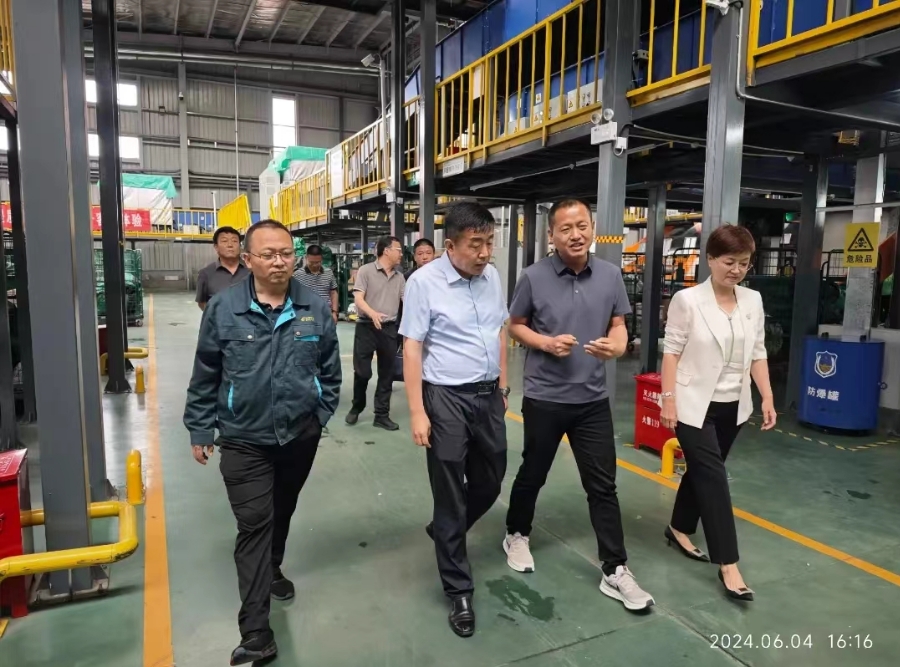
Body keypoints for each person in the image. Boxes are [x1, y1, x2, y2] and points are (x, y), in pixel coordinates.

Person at [183, 219, 341, 665]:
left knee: (282, 508)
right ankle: (256, 632)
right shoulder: (224, 308)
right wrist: (200, 427)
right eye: (268, 254)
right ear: (248, 259)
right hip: (243, 437)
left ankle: (272, 566)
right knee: (254, 522)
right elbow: (206, 371)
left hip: (298, 435)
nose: (279, 261)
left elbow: (330, 370)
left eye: (286, 253)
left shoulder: (313, 306)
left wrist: (319, 415)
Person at [503, 199, 655, 612]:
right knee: (533, 473)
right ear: (551, 235)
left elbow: (619, 326)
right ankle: (516, 533)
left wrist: (616, 348)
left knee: (602, 485)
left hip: (592, 400)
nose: (576, 234)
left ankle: (615, 568)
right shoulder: (533, 277)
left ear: (592, 228)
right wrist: (545, 343)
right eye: (566, 228)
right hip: (545, 397)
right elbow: (515, 326)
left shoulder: (609, 274)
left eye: (582, 225)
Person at [400, 202, 509, 638]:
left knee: (492, 478)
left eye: (489, 243)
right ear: (451, 245)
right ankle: (459, 589)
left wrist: (503, 386)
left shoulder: (492, 276)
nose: (484, 253)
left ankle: (446, 529)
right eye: (475, 244)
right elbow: (412, 347)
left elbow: (499, 331)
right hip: (445, 396)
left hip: (488, 394)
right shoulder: (423, 282)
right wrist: (417, 411)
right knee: (449, 490)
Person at [660, 224, 774, 602]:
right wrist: (668, 399)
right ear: (710, 259)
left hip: (734, 405)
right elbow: (671, 353)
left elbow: (758, 352)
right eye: (729, 262)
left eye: (744, 263)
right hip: (693, 404)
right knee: (714, 479)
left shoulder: (753, 300)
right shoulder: (688, 300)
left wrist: (767, 396)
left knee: (702, 471)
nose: (736, 270)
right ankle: (729, 564)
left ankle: (678, 527)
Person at [346, 235, 405, 431]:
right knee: (362, 372)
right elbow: (358, 299)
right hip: (366, 326)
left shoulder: (399, 277)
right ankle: (357, 406)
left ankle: (381, 415)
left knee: (387, 374)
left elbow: (408, 300)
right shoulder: (366, 271)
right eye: (398, 250)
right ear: (386, 251)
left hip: (389, 328)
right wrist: (372, 314)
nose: (401, 254)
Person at [195, 226, 250, 310]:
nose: (230, 245)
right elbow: (202, 303)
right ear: (216, 247)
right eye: (224, 241)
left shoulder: (252, 270)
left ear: (240, 246)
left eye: (235, 241)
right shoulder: (205, 274)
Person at [293, 244, 339, 323]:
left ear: (321, 259)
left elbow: (333, 293)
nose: (314, 265)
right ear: (306, 258)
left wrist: (334, 312)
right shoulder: (298, 275)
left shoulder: (328, 272)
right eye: (311, 262)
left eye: (317, 262)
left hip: (326, 314)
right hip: (305, 316)